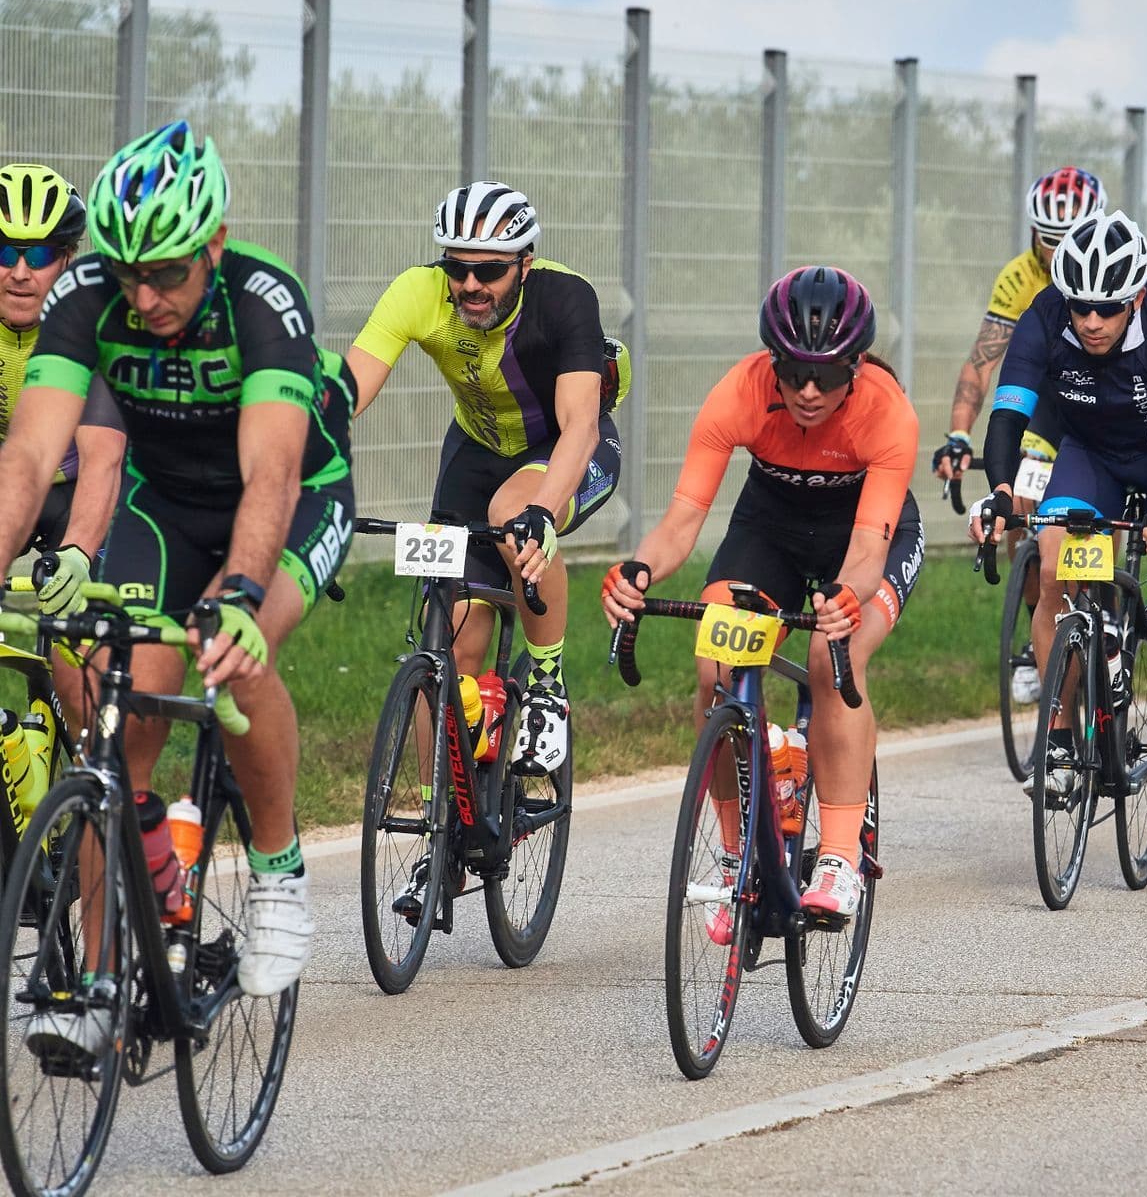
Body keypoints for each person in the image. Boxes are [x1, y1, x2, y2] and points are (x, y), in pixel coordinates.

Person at [0, 122, 356, 1050]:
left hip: (291, 501)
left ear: (215, 244)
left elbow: (272, 474)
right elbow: (30, 455)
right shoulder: (88, 292)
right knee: (108, 724)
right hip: (164, 504)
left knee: (236, 653)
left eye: (165, 274)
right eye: (129, 275)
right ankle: (102, 979)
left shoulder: (263, 300)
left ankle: (277, 873)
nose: (146, 298)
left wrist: (239, 594)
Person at [603, 267, 919, 925]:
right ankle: (735, 855)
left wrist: (845, 596)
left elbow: (868, 549)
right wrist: (638, 571)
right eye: (793, 372)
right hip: (771, 525)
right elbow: (682, 522)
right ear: (771, 362)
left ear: (856, 367)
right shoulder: (740, 391)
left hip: (863, 535)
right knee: (716, 666)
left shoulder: (887, 409)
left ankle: (839, 858)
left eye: (826, 376)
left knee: (833, 658)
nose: (808, 391)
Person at [349, 181, 625, 777]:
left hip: (565, 447)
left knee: (513, 515)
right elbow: (347, 390)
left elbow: (580, 424)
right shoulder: (417, 292)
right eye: (457, 267)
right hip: (475, 453)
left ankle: (547, 686)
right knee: (448, 648)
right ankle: (439, 818)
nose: (471, 284)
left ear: (524, 264)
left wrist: (543, 512)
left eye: (490, 270)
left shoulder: (565, 297)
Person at [971, 210, 1147, 782]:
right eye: (1080, 307)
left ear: (1135, 299)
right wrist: (1001, 491)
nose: (1091, 321)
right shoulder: (1044, 316)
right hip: (1091, 456)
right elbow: (1007, 415)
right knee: (1053, 570)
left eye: (1107, 308)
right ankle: (1058, 739)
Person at [932, 166, 1105, 704]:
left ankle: (1106, 608)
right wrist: (959, 434)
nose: (1059, 253)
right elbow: (982, 361)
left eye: (1072, 239)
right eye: (1049, 240)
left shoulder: (1109, 268)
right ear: (1033, 233)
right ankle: (1040, 629)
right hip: (1045, 399)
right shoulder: (1019, 275)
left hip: (1102, 396)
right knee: (1019, 498)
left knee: (1102, 500)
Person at [0, 162, 125, 570]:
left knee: (99, 595)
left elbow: (102, 457)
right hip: (9, 479)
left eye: (39, 256)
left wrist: (78, 555)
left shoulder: (95, 321)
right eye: (4, 252)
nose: (20, 273)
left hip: (81, 486)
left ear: (67, 259)